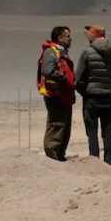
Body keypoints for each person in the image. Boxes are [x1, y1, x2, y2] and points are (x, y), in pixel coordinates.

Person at [74, 24, 111, 166]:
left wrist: (84, 92)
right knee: (107, 130)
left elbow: (78, 78)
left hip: (91, 98)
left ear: (93, 36)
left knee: (92, 132)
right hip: (107, 98)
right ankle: (109, 163)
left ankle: (94, 162)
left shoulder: (87, 52)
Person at [37, 26, 76, 161]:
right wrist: (64, 78)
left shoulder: (61, 52)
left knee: (64, 126)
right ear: (59, 38)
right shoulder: (51, 51)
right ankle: (52, 156)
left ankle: (59, 155)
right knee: (57, 125)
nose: (70, 39)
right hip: (56, 96)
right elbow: (47, 70)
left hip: (64, 95)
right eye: (68, 36)